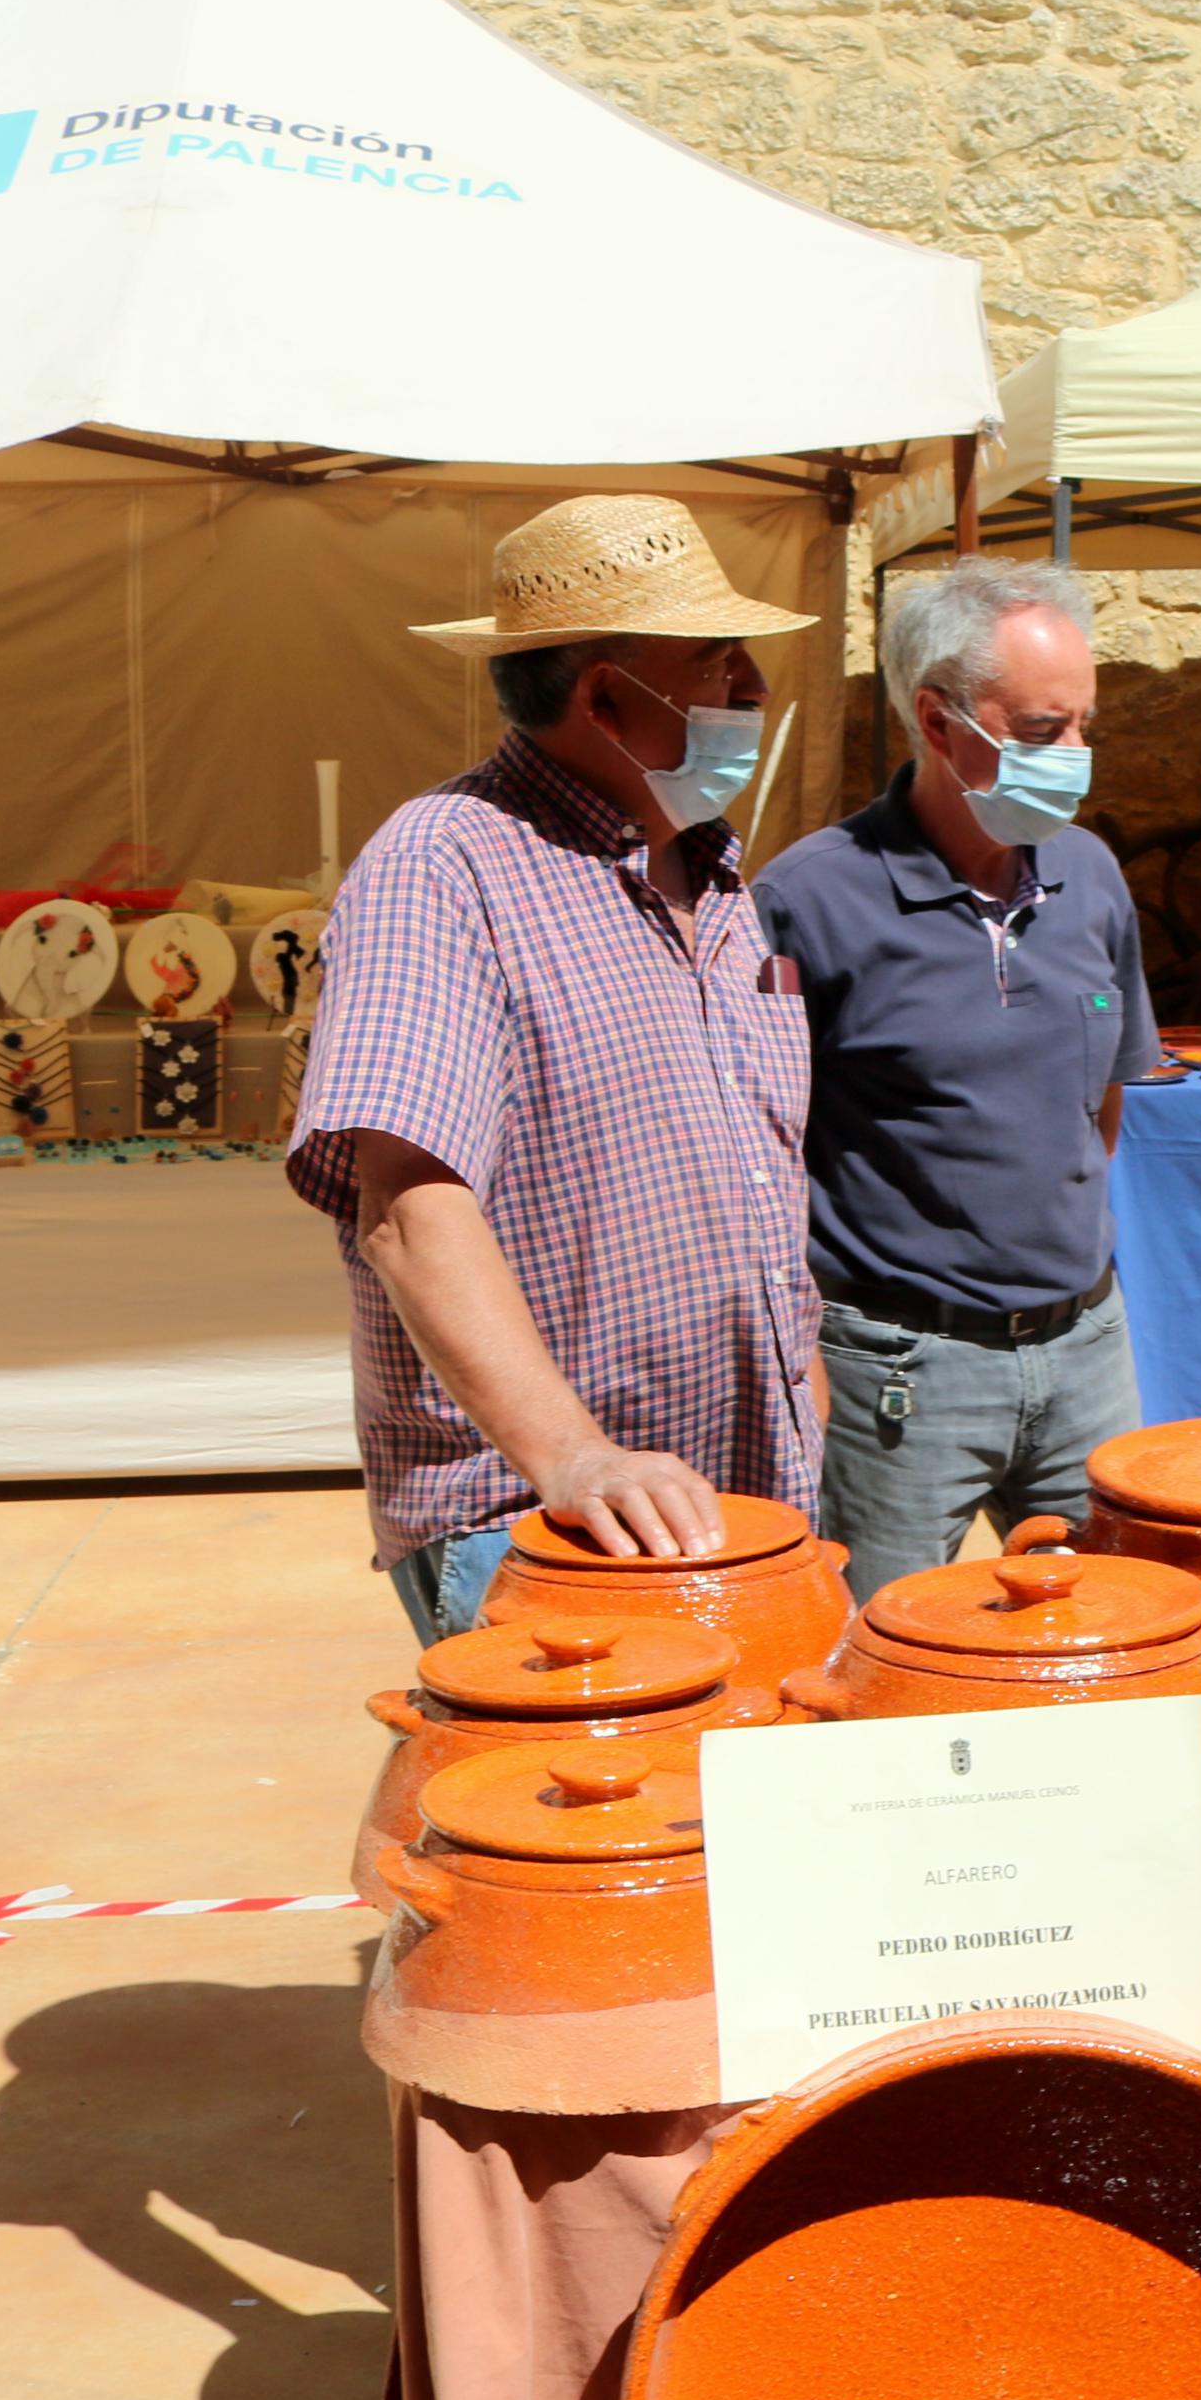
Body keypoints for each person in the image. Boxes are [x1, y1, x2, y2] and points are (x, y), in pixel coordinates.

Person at [288, 493, 824, 1641]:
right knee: (584, 1820)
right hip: (541, 1526)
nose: (754, 689)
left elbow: (762, 1177)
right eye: (715, 660)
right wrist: (573, 1457)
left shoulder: (719, 881)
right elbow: (408, 1211)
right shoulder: (442, 867)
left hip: (738, 1504)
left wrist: (804, 1414)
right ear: (604, 696)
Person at [755, 557, 1161, 1597]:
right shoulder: (807, 903)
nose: (1072, 757)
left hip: (1085, 1352)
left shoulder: (1091, 877)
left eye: (1082, 726)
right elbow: (755, 1153)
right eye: (1037, 732)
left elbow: (1096, 1109)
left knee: (1110, 1644)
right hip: (900, 1373)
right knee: (877, 1661)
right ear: (936, 724)